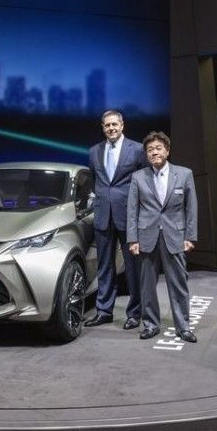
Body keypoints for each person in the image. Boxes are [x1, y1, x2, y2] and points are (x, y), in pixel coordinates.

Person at [127, 131, 198, 342]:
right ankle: (150, 324)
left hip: (175, 236)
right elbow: (132, 210)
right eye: (150, 150)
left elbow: (191, 208)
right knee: (147, 286)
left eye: (158, 148)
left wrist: (190, 236)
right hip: (146, 237)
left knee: (178, 284)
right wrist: (133, 239)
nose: (154, 152)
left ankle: (183, 327)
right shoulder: (138, 177)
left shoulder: (184, 174)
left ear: (167, 150)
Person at [84, 109, 149, 329]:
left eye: (114, 124)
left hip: (129, 216)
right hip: (103, 215)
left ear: (122, 125)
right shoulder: (94, 151)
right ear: (103, 128)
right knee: (104, 266)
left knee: (132, 267)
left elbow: (145, 183)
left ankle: (135, 313)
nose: (111, 128)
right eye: (107, 125)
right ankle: (104, 311)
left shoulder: (137, 149)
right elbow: (95, 181)